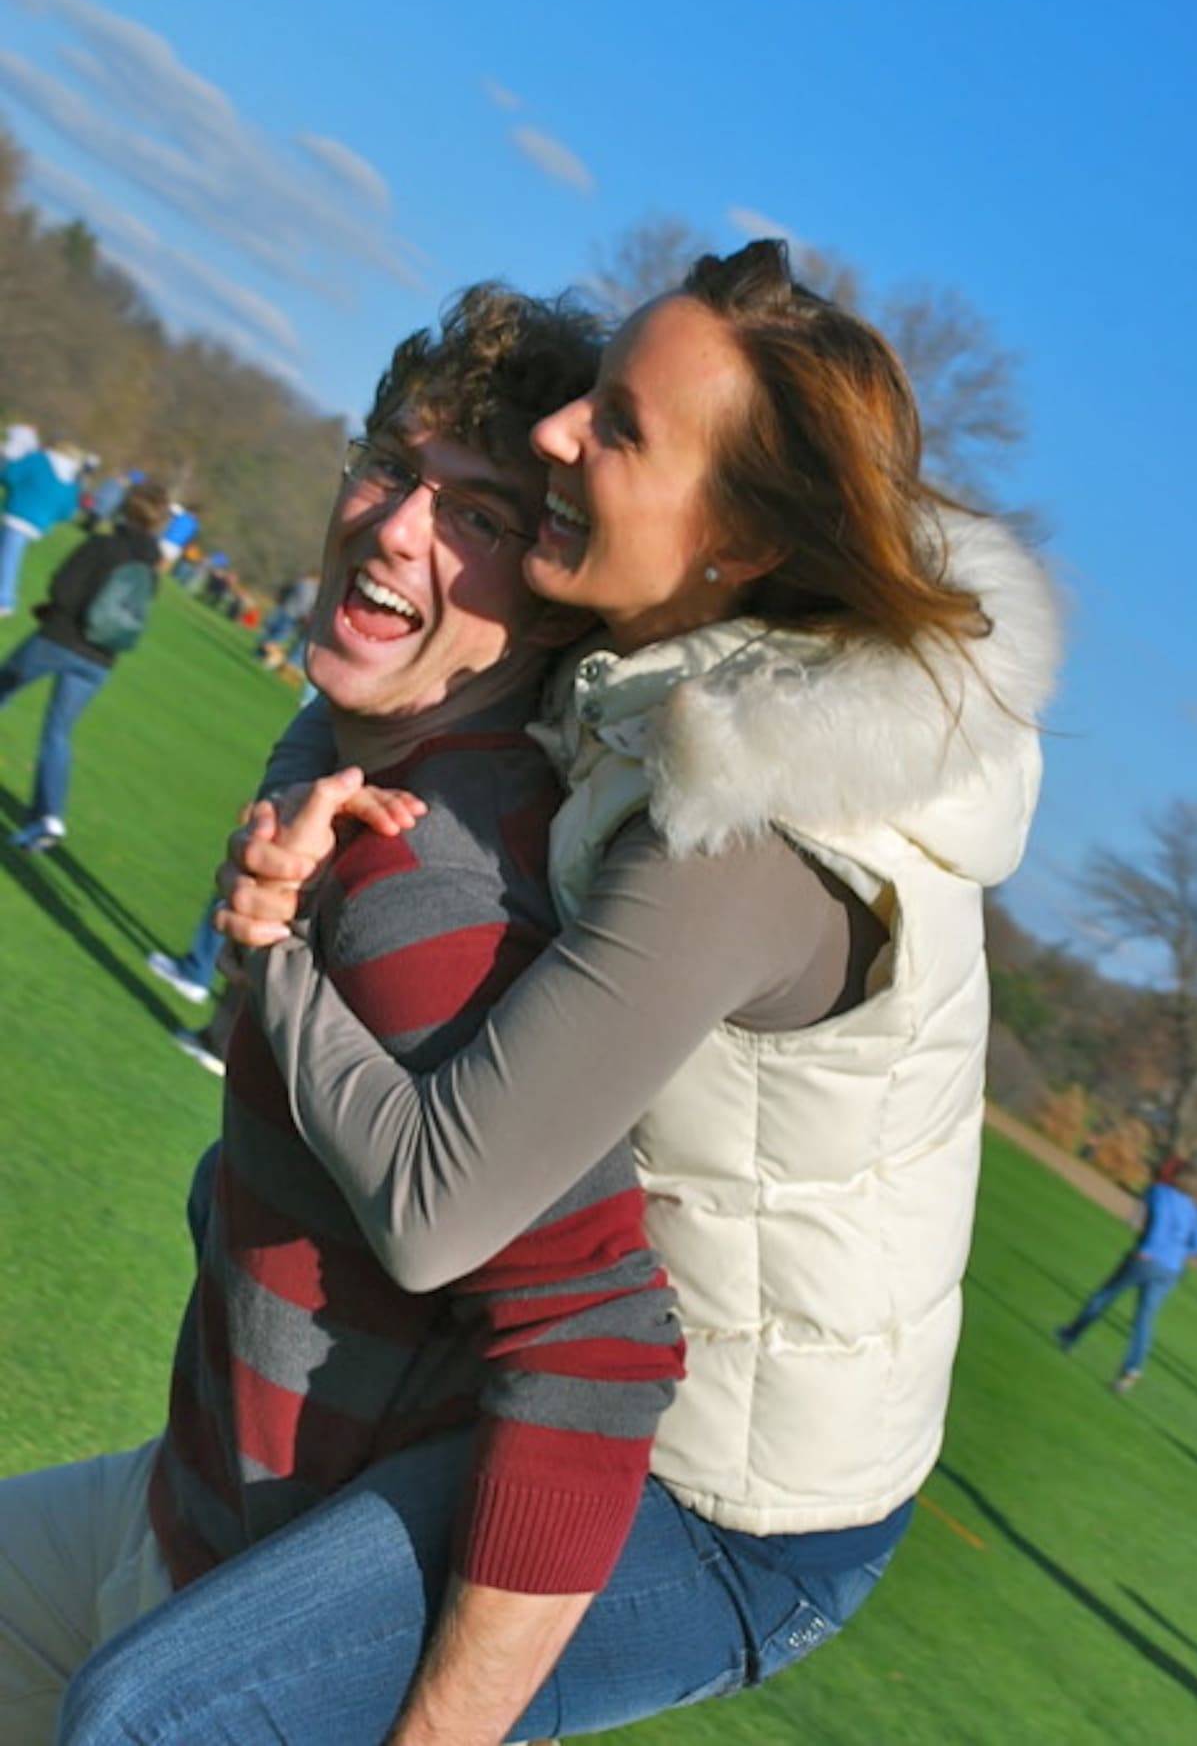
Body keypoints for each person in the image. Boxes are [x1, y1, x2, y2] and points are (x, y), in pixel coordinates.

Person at [57, 241, 1061, 1744]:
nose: (555, 436)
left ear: (733, 546)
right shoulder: (661, 686)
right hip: (592, 1390)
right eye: (586, 396)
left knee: (157, 1711)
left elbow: (446, 1203)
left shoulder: (742, 826)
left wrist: (270, 945)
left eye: (618, 427)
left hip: (733, 1503)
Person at [0, 285, 683, 1746]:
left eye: (482, 517)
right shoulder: (340, 742)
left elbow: (598, 1349)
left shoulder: (429, 880)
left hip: (233, 1625)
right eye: (391, 465)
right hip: (165, 1502)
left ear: (552, 584)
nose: (395, 528)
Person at [2, 481, 170, 852]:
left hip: (58, 639)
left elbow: (63, 590)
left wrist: (51, 613)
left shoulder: (103, 545)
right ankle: (49, 818)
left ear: (126, 509)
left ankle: (45, 819)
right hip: (100, 659)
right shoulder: (151, 568)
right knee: (58, 734)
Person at [1056, 1168, 1197, 1390]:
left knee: (1105, 1296)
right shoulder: (1193, 1211)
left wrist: (1146, 1244)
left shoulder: (1158, 1191)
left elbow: (1138, 1219)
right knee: (1144, 1320)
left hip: (1146, 1257)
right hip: (1170, 1270)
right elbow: (1196, 1247)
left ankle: (1070, 1336)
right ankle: (1132, 1369)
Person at [0, 439, 83, 617]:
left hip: (18, 512)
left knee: (9, 558)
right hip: (38, 524)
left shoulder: (39, 459)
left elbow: (10, 474)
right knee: (8, 553)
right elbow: (68, 511)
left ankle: (5, 600)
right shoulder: (72, 480)